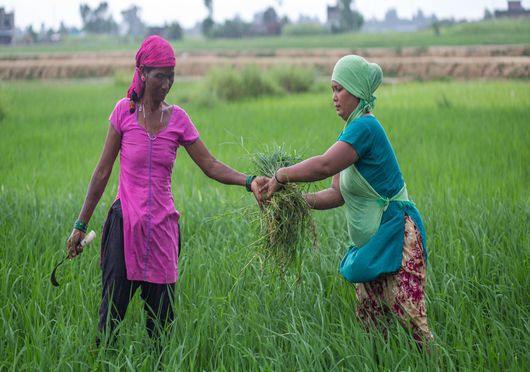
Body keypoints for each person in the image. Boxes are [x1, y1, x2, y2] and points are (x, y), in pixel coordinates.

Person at [65, 35, 267, 345]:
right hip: (125, 226)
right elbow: (102, 172)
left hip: (162, 230)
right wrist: (80, 225)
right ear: (143, 74)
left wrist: (249, 180)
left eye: (171, 76)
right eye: (160, 76)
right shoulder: (123, 112)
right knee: (110, 324)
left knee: (160, 329)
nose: (167, 83)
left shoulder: (179, 119)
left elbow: (210, 164)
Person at [262, 55, 433, 343]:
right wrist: (296, 203)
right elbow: (336, 193)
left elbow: (325, 165)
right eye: (332, 90)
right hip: (372, 245)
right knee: (373, 326)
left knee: (411, 320)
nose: (334, 98)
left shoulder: (365, 128)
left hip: (396, 236)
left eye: (339, 89)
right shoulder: (350, 131)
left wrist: (282, 176)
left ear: (356, 90)